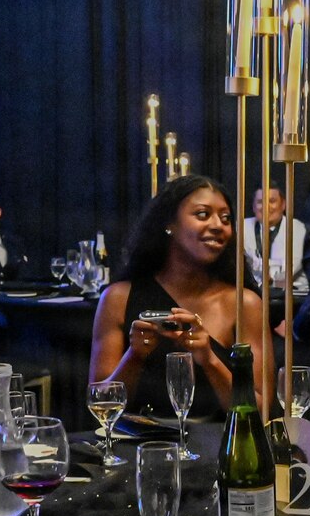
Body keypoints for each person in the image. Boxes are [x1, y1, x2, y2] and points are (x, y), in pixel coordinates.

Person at [91, 174, 270, 420]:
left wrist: (209, 359)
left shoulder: (244, 303)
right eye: (203, 214)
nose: (218, 225)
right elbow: (99, 404)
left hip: (217, 448)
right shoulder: (118, 298)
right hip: (140, 447)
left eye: (226, 218)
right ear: (169, 224)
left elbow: (262, 409)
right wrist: (134, 355)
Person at [242, 186, 309, 296]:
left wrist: (263, 272)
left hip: (291, 297)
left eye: (272, 201)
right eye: (260, 202)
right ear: (253, 207)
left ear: (283, 205)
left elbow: (288, 269)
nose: (266, 207)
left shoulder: (298, 229)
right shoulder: (241, 227)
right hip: (253, 295)